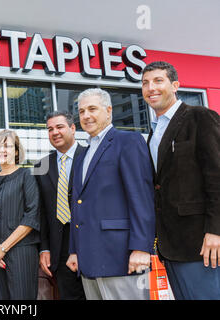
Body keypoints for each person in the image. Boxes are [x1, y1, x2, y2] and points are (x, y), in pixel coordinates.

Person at [66, 88, 156, 300]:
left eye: (92, 109)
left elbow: (141, 197)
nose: (86, 116)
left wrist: (142, 248)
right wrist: (74, 250)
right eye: (81, 111)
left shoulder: (128, 142)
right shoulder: (83, 155)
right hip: (88, 260)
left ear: (108, 111)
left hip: (121, 256)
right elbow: (77, 204)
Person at [141, 61, 220, 300]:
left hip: (201, 243)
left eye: (158, 81)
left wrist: (216, 231)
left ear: (175, 85)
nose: (150, 88)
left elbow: (217, 176)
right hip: (171, 244)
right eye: (145, 83)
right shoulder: (154, 133)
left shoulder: (200, 117)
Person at [0, 129, 41, 299]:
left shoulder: (27, 175)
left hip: (20, 253)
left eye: (7, 146)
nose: (2, 150)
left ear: (16, 151)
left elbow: (32, 216)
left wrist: (3, 248)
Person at [34, 111, 86, 300]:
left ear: (73, 128)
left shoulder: (90, 156)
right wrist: (44, 248)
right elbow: (41, 212)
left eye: (59, 127)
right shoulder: (41, 166)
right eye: (50, 129)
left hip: (90, 241)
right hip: (59, 248)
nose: (54, 132)